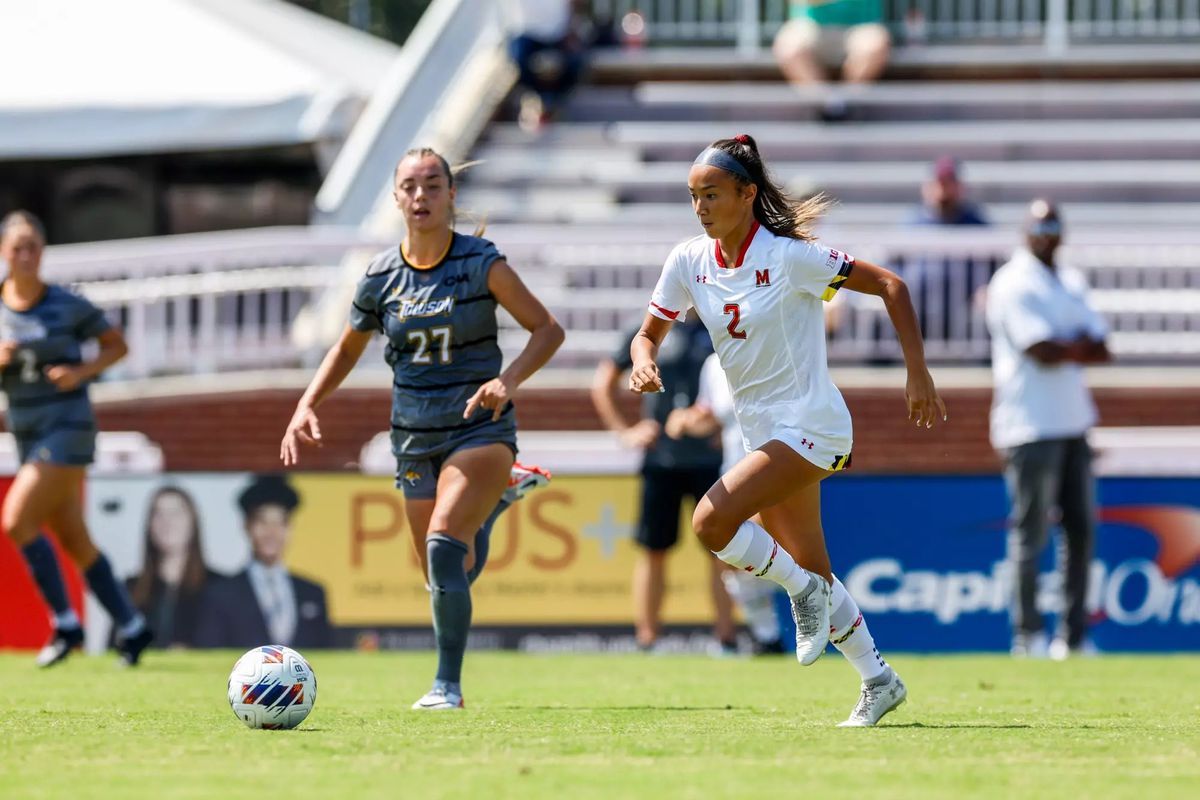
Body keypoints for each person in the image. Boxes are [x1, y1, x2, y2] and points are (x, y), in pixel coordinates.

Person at [631, 134, 945, 726]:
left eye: (712, 194)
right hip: (762, 435)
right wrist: (643, 358)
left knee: (711, 521)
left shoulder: (792, 257)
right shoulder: (687, 260)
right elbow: (647, 332)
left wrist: (918, 373)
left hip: (814, 426)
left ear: (747, 194)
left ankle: (800, 592)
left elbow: (890, 286)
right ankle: (878, 679)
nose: (700, 207)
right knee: (817, 569)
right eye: (693, 196)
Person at [280, 147, 564, 710]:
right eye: (410, 186)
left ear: (450, 195)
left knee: (441, 547)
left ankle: (446, 687)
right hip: (411, 436)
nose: (421, 197)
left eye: (433, 186)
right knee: (445, 569)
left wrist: (506, 383)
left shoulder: (483, 263)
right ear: (395, 198)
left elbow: (547, 331)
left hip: (478, 429)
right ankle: (501, 502)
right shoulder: (381, 276)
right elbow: (345, 348)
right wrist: (306, 403)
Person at [0, 210, 153, 667]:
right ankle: (133, 627)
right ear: (4, 253)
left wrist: (80, 372)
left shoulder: (67, 303)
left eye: (33, 247)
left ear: (43, 252)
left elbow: (117, 345)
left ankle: (66, 624)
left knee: (16, 521)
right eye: (16, 247)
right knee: (75, 540)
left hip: (67, 425)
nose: (25, 255)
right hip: (25, 428)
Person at [986, 200, 1109, 660]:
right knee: (1030, 532)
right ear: (1025, 231)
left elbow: (1102, 347)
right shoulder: (1013, 281)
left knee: (1080, 531)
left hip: (1073, 420)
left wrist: (1069, 346)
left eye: (1054, 225)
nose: (1047, 233)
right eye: (1039, 226)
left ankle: (1073, 637)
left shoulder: (1069, 279)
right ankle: (1028, 634)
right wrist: (1075, 345)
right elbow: (1039, 348)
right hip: (1029, 424)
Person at [592, 317, 736, 654]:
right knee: (653, 549)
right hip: (661, 460)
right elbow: (603, 382)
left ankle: (727, 639)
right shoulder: (650, 329)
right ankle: (648, 640)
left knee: (723, 552)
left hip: (711, 462)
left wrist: (726, 428)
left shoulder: (723, 326)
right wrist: (625, 431)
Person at [665, 353, 785, 655]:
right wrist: (686, 420)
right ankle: (767, 635)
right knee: (734, 557)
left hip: (780, 468)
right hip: (733, 472)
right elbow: (711, 417)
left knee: (780, 553)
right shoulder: (713, 363)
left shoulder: (773, 347)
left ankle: (831, 634)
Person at [192, 475, 331, 650]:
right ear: (247, 526)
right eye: (262, 522)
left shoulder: (313, 593)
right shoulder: (220, 595)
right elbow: (208, 656)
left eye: (280, 522)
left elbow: (328, 655)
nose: (271, 532)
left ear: (290, 528)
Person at [772, 0, 891, 122]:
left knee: (873, 45)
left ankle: (846, 105)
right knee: (790, 47)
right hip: (809, 24)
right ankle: (825, 104)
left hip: (863, 25)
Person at [126, 485, 214, 649]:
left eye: (176, 513)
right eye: (158, 514)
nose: (167, 522)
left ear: (192, 521)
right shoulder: (130, 589)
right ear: (149, 525)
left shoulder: (220, 588)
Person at [502, 0, 586, 131]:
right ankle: (536, 103)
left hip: (558, 34)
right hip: (526, 34)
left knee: (575, 63)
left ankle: (552, 106)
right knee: (518, 61)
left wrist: (571, 29)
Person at [908, 157, 988, 228]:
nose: (943, 192)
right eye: (941, 184)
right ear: (927, 188)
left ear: (960, 187)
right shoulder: (914, 227)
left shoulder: (975, 225)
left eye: (949, 183)